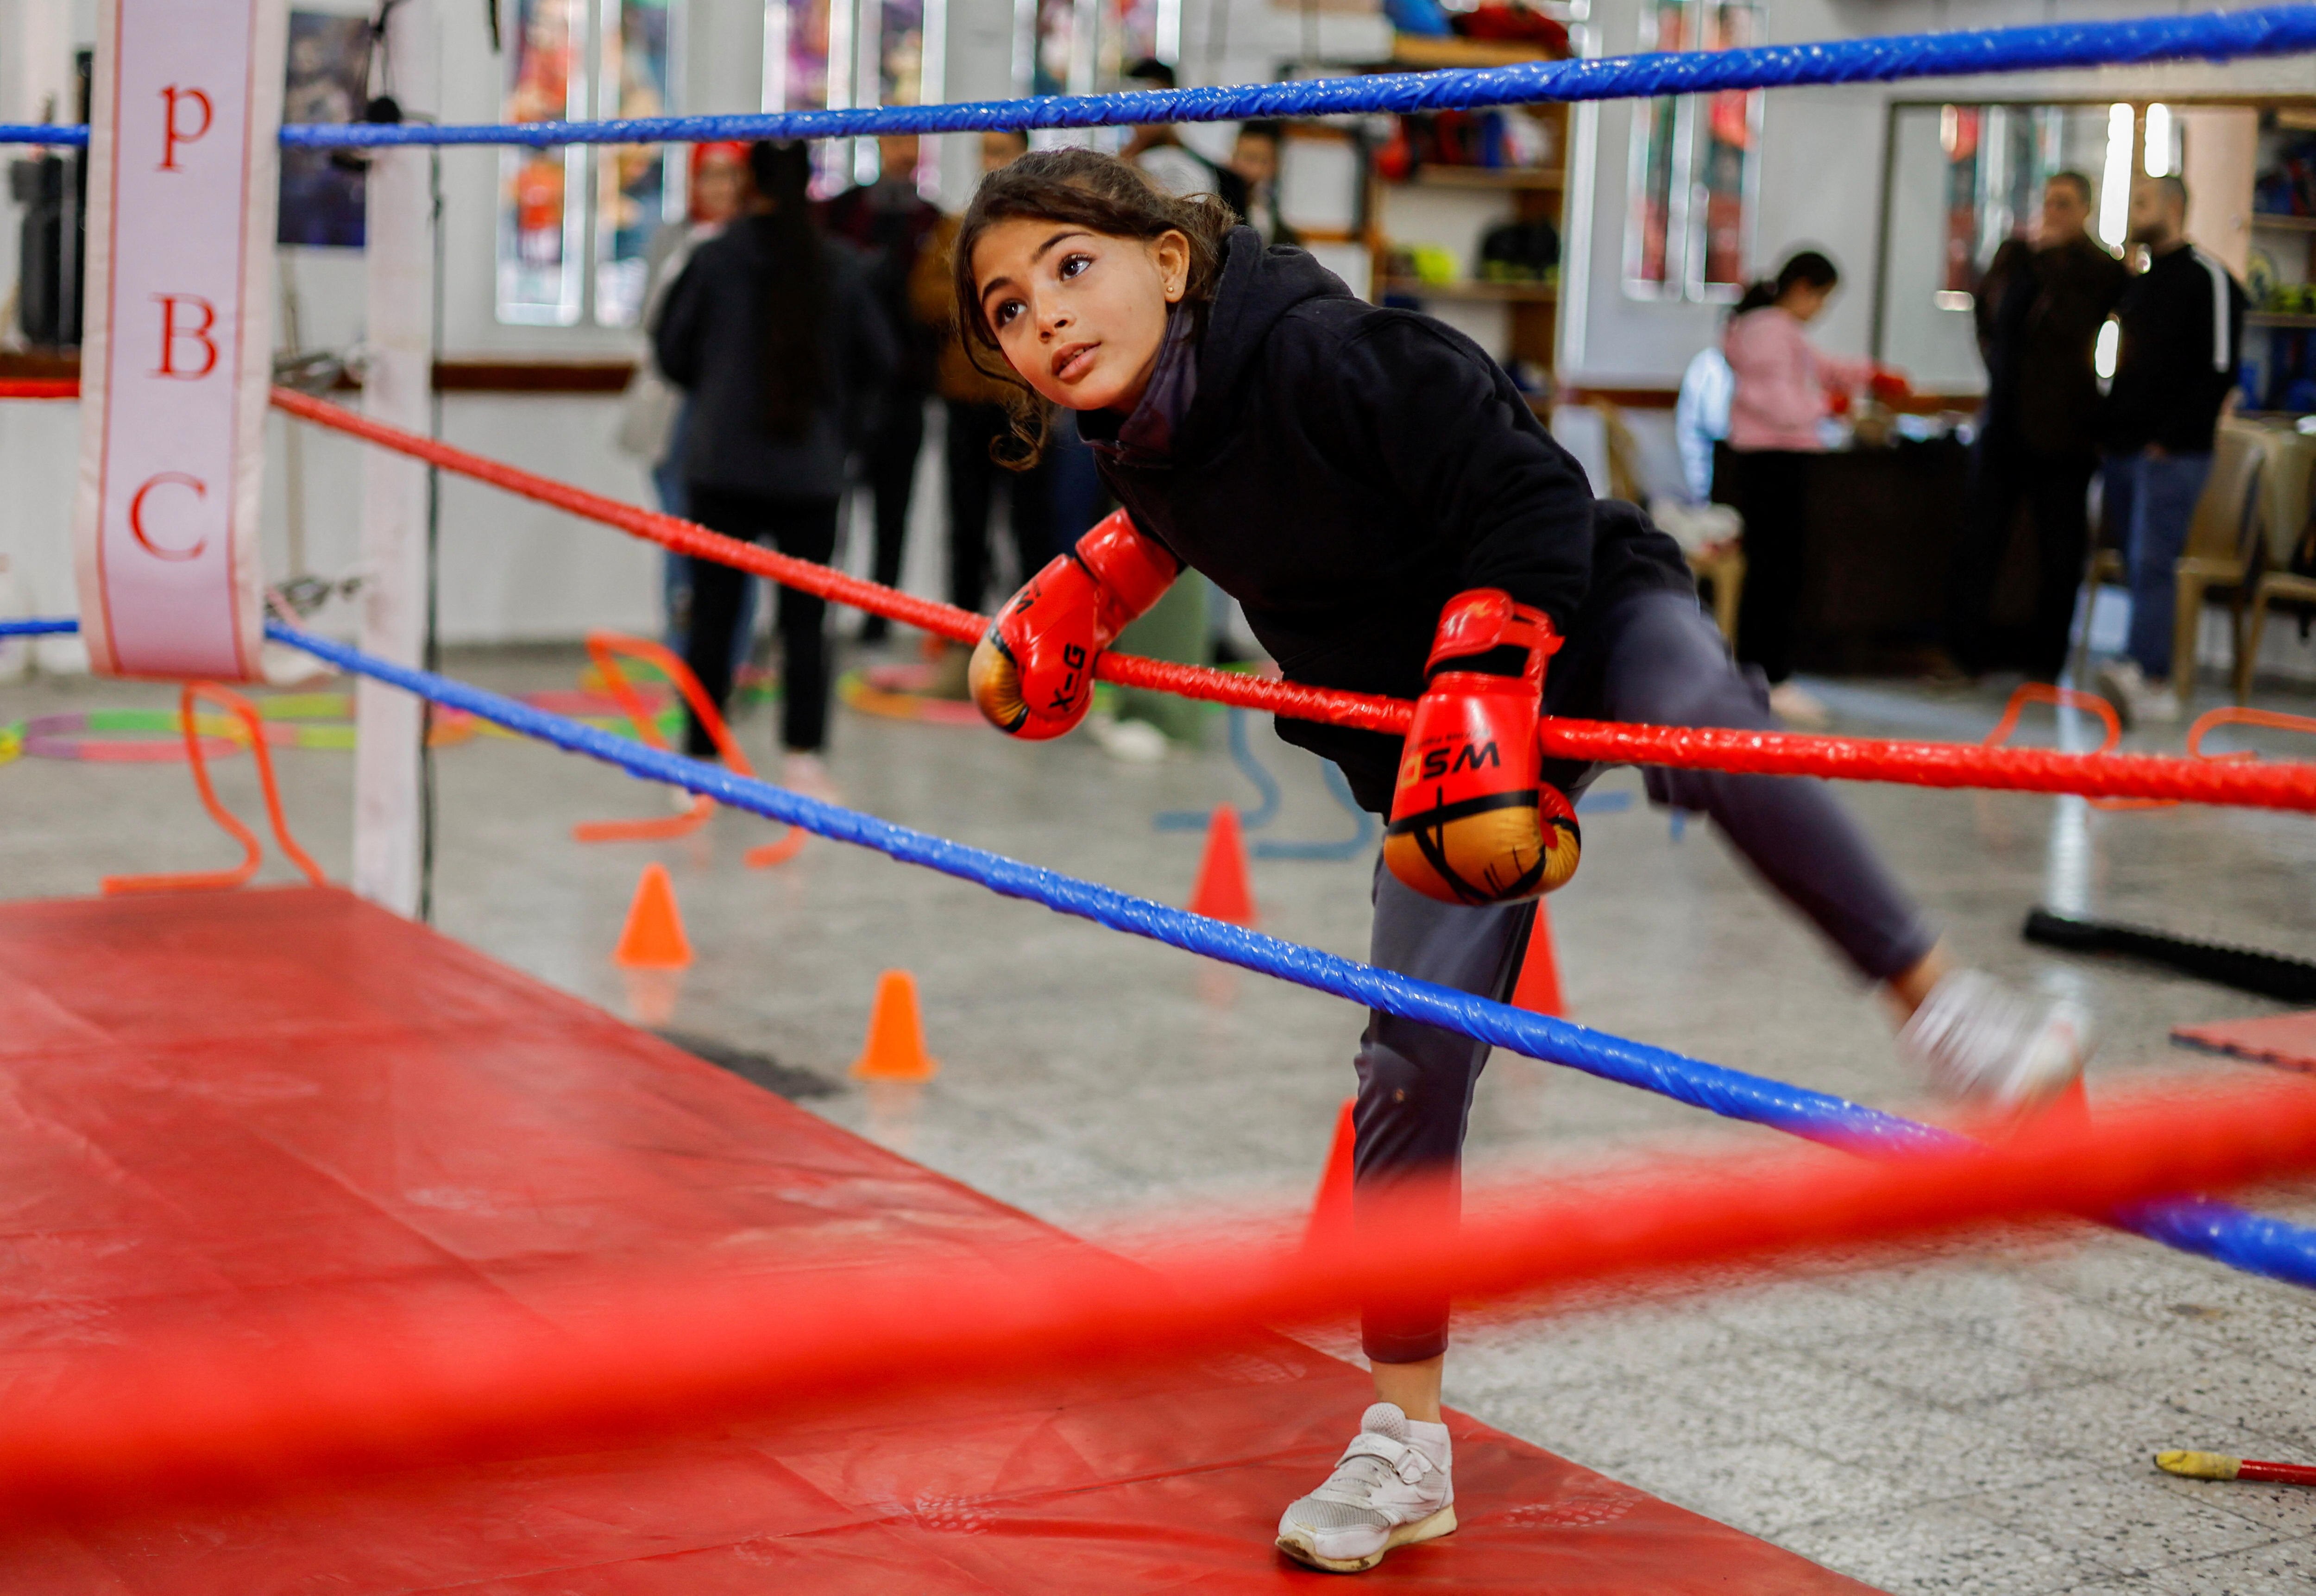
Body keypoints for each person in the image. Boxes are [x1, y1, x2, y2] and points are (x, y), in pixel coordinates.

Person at [949, 150, 2086, 1575]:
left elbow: (1528, 487)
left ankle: (1941, 1002)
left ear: (1166, 261)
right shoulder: (1145, 432)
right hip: (1443, 738)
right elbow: (1201, 515)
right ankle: (1404, 1436)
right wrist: (1092, 586)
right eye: (1007, 307)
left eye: (1070, 266)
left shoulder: (1330, 347)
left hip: (1578, 610)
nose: (1044, 315)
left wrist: (1493, 661)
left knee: (1706, 718)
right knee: (1411, 1055)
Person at [655, 140, 894, 801]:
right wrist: (841, 431)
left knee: (712, 617)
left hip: (723, 467)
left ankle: (699, 763)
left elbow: (670, 351)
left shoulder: (715, 258)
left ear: (748, 182)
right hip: (809, 475)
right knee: (805, 624)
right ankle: (804, 761)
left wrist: (719, 391)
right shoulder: (840, 264)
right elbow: (882, 360)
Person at [1947, 171, 2128, 682]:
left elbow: (2076, 323)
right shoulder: (2015, 257)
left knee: (2059, 549)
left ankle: (2045, 660)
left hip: (2065, 429)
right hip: (2004, 420)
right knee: (1979, 540)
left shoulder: (2098, 270)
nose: (2053, 212)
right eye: (2048, 202)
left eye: (2064, 204)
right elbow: (1989, 319)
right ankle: (1966, 651)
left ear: (2084, 211)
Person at [1717, 250, 1901, 728]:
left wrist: (1868, 374)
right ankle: (1766, 676)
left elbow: (1818, 367)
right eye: (1821, 298)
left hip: (1779, 462)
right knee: (1774, 572)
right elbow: (1780, 403)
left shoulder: (1777, 331)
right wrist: (1831, 407)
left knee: (1781, 568)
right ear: (1802, 288)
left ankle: (1767, 672)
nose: (1820, 310)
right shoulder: (1767, 333)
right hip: (1772, 462)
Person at [2093, 174, 2248, 725]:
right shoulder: (2141, 282)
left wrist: (2172, 438)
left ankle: (2150, 675)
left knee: (2153, 559)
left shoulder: (2208, 279)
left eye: (2143, 202)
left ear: (2174, 207)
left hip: (2172, 454)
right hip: (2125, 447)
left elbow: (2219, 369)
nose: (2134, 212)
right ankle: (2135, 662)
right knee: (2135, 562)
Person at [910, 128, 1058, 636]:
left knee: (1031, 526)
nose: (991, 162)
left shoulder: (1043, 232)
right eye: (985, 153)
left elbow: (1054, 303)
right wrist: (988, 301)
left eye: (1001, 152)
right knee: (965, 525)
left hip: (1025, 399)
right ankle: (963, 635)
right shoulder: (956, 227)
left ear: (1022, 158)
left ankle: (1036, 631)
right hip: (964, 400)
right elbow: (925, 297)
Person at [619, 141, 750, 666]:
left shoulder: (754, 245)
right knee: (680, 548)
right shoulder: (671, 241)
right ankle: (684, 661)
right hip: (672, 417)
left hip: (734, 423)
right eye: (709, 177)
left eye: (730, 177)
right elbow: (651, 325)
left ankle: (727, 664)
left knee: (731, 553)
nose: (719, 189)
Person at [822, 134, 944, 647]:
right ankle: (821, 609)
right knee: (829, 509)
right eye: (894, 140)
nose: (901, 152)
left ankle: (878, 614)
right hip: (842, 391)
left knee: (893, 512)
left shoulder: (932, 225)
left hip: (904, 392)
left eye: (909, 143)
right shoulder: (841, 212)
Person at [1120, 57, 1248, 214]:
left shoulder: (1226, 180)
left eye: (1153, 102)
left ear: (1171, 103)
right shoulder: (1114, 170)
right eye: (1136, 103)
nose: (1145, 114)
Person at [1227, 120, 1298, 246]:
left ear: (1274, 165)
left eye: (1253, 159)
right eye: (1238, 156)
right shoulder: (1215, 218)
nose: (1242, 167)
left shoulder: (1285, 237)